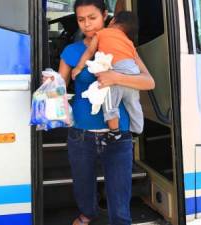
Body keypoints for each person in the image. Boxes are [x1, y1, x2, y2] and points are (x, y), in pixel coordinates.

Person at [58, 0, 155, 224]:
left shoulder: (122, 44)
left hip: (119, 132)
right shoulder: (72, 51)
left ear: (105, 16)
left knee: (120, 188)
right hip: (82, 131)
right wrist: (51, 83)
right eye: (81, 19)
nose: (87, 25)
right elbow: (60, 88)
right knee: (83, 183)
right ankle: (87, 214)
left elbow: (149, 82)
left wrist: (116, 78)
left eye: (92, 18)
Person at [71, 10, 142, 142]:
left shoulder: (102, 33)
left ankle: (114, 132)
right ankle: (137, 129)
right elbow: (133, 58)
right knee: (133, 103)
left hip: (116, 72)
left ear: (113, 21)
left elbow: (90, 51)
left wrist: (78, 67)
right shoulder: (129, 41)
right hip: (133, 72)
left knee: (110, 104)